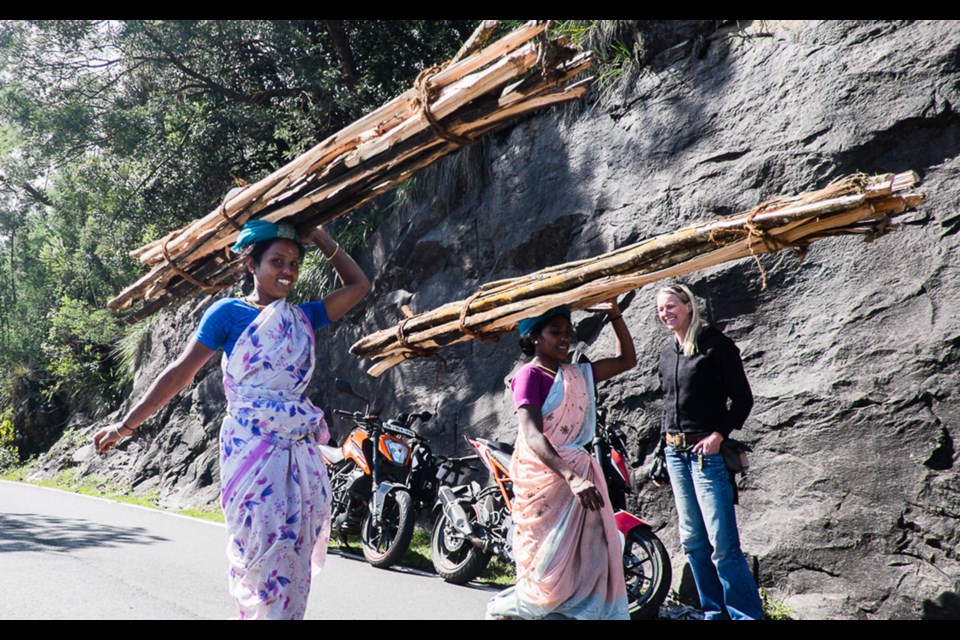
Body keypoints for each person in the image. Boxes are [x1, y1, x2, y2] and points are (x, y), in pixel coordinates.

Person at [93, 219, 370, 620]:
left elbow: (359, 286)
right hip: (250, 450)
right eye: (277, 261)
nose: (287, 272)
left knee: (291, 548)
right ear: (250, 266)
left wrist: (323, 238)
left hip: (297, 452)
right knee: (260, 547)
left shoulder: (304, 318)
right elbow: (179, 372)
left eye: (294, 263)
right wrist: (126, 425)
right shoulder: (227, 314)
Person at [486, 300, 636, 620]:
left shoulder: (577, 374)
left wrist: (614, 314)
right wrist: (571, 477)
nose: (565, 338)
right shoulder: (529, 376)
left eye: (568, 332)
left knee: (586, 563)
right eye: (556, 332)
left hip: (579, 478)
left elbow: (627, 360)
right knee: (547, 566)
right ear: (534, 338)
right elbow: (532, 434)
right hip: (547, 479)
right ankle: (505, 611)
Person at [655, 283, 763, 620]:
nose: (665, 313)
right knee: (693, 543)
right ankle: (714, 614)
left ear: (688, 305)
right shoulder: (667, 353)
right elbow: (668, 408)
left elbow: (743, 399)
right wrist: (662, 453)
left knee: (723, 546)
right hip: (676, 455)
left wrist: (719, 435)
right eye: (660, 309)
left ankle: (745, 616)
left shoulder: (716, 346)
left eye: (671, 306)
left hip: (707, 456)